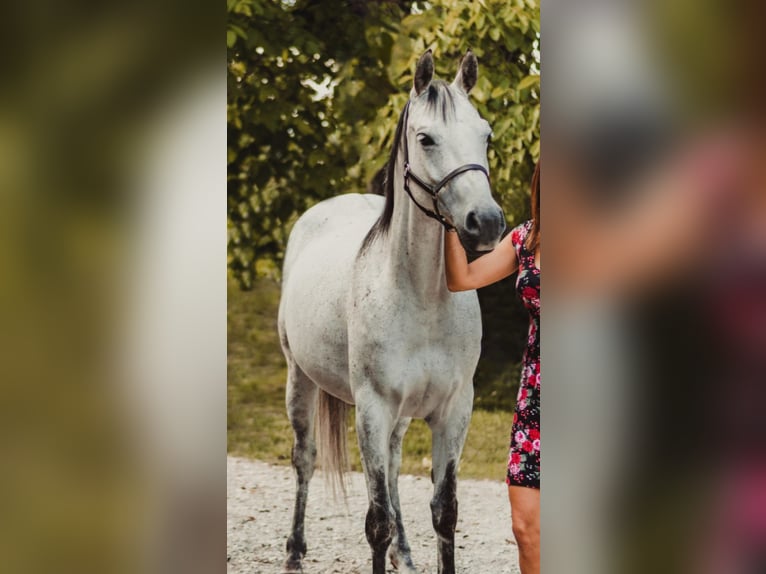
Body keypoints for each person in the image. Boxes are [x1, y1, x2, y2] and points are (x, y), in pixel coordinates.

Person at [444, 161, 541, 574]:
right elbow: (461, 278)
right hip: (538, 397)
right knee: (525, 526)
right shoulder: (527, 238)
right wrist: (447, 218)